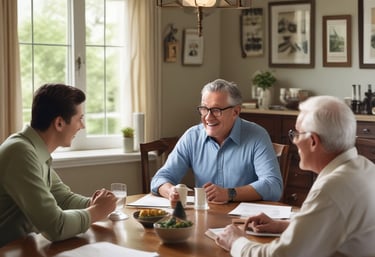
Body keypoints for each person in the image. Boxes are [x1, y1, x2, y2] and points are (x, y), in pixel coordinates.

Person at [216, 95, 375, 257]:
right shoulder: (365, 168)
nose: (295, 141)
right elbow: (331, 223)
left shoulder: (331, 189)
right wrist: (284, 226)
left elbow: (280, 255)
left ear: (313, 141)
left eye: (297, 134)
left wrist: (236, 242)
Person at [0, 83, 117, 247]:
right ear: (59, 123)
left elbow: (63, 198)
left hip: (21, 248)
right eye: (80, 119)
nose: (82, 126)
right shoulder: (20, 152)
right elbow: (55, 227)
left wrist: (93, 203)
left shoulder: (33, 149)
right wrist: (97, 211)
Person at [150, 79, 282, 205]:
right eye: (204, 109)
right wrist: (171, 192)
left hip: (245, 221)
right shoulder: (192, 137)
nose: (208, 117)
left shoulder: (257, 136)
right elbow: (159, 179)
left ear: (235, 112)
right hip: (204, 218)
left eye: (216, 110)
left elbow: (273, 185)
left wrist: (230, 194)